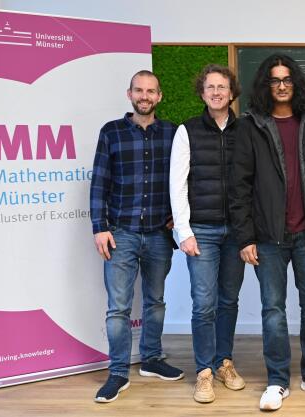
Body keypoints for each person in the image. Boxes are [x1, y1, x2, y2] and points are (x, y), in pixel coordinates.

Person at [229, 53, 305, 411]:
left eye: (287, 80)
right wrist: (245, 237)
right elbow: (239, 187)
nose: (281, 86)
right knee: (273, 311)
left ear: (296, 84)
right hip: (268, 237)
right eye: (275, 80)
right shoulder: (250, 126)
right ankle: (277, 381)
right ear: (266, 85)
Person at [90, 70, 184, 403]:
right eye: (139, 90)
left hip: (160, 234)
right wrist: (99, 227)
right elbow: (99, 182)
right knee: (118, 308)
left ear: (159, 96)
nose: (145, 96)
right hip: (120, 233)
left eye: (151, 91)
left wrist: (178, 217)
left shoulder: (173, 133)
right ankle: (117, 372)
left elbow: (182, 182)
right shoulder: (111, 132)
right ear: (130, 94)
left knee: (155, 301)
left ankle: (152, 359)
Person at [169, 64, 246, 403]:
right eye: (210, 87)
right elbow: (177, 183)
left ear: (232, 93)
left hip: (237, 232)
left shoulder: (245, 131)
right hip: (201, 229)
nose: (216, 92)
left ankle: (223, 362)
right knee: (204, 304)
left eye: (222, 87)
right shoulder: (187, 131)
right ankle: (204, 372)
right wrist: (183, 231)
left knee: (229, 301)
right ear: (202, 93)